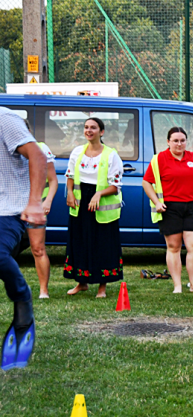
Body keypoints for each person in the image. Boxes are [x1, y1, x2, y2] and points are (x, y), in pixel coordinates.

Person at [0, 107, 47, 370]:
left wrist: (35, 203)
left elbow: (37, 156)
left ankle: (21, 296)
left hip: (8, 210)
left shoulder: (5, 119)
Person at [142, 127, 193, 294]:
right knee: (174, 247)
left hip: (191, 206)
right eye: (176, 141)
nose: (179, 144)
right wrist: (157, 202)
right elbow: (146, 182)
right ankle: (177, 286)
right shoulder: (159, 160)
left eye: (182, 140)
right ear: (168, 142)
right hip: (170, 208)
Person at [64, 117, 124, 298]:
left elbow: (115, 186)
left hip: (102, 208)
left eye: (93, 128)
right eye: (86, 127)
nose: (89, 130)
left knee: (102, 244)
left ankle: (102, 286)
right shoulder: (77, 152)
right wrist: (69, 192)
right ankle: (81, 282)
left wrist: (98, 194)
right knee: (80, 241)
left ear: (101, 132)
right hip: (80, 204)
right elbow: (70, 175)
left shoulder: (111, 155)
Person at [25, 130, 58, 299]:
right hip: (9, 206)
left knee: (38, 248)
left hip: (35, 206)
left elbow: (53, 180)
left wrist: (48, 201)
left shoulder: (41, 148)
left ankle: (43, 291)